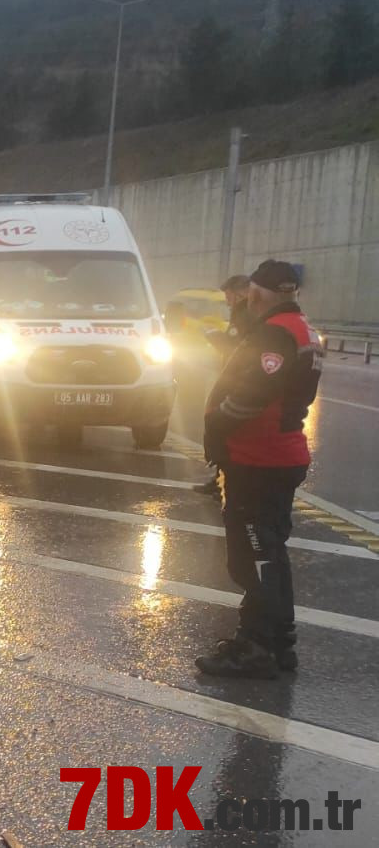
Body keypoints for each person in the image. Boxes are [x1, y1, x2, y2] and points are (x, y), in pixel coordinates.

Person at [195, 260, 322, 679]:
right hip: (277, 456)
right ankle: (277, 640)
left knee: (254, 556)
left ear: (256, 293)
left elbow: (252, 395)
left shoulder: (274, 332)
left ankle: (257, 646)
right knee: (269, 552)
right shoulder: (300, 328)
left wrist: (217, 425)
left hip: (258, 457)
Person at [193, 274, 255, 497]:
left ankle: (225, 483)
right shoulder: (245, 313)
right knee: (224, 430)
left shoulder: (244, 315)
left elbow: (234, 348)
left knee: (222, 428)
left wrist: (214, 337)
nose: (227, 299)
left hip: (235, 380)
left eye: (228, 294)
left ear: (240, 293)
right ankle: (221, 480)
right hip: (234, 378)